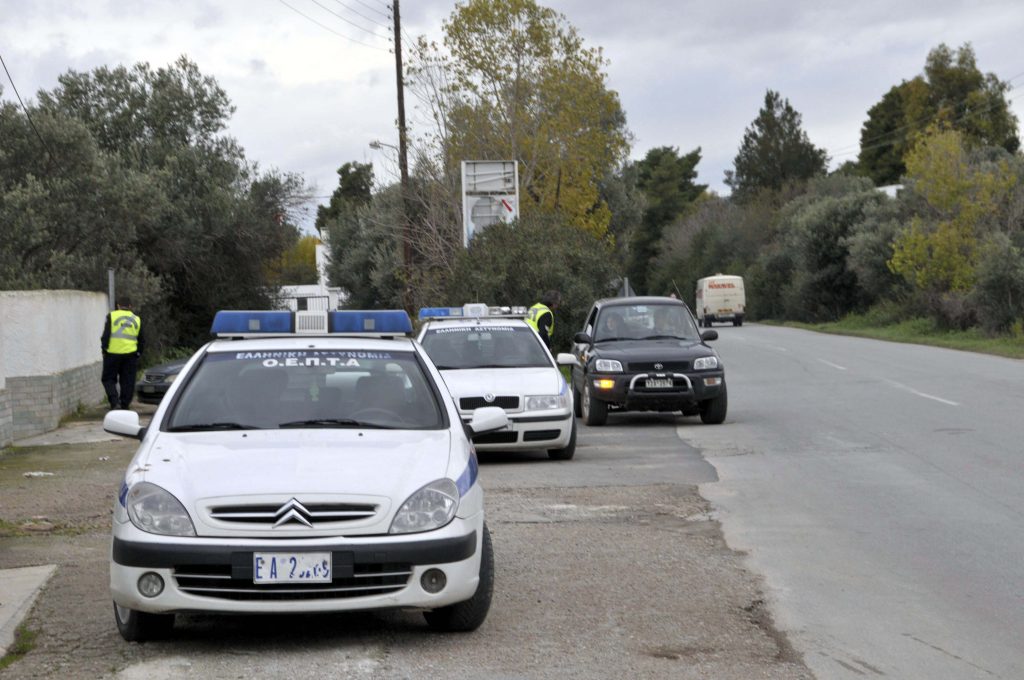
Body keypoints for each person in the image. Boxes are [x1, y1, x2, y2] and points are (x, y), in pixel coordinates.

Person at [101, 296, 144, 410]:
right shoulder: (137, 319)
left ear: (118, 306)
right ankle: (124, 405)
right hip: (130, 356)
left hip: (112, 354)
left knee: (108, 379)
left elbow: (106, 335)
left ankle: (114, 402)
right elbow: (142, 339)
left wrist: (104, 349)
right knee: (128, 381)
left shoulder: (111, 316)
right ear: (130, 307)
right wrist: (138, 353)